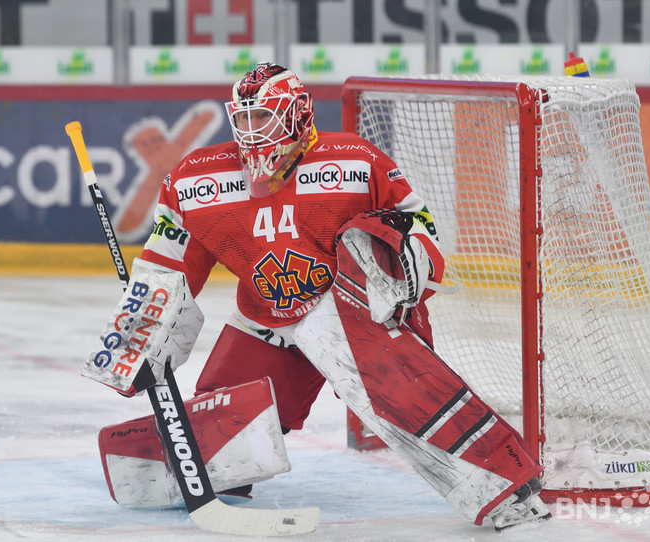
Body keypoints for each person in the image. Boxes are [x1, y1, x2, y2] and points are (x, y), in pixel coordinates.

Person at [94, 62, 550, 530]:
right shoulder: (196, 180)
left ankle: (506, 486)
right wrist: (139, 340)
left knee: (404, 396)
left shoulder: (354, 162)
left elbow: (419, 228)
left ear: (296, 114)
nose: (251, 130)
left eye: (263, 116)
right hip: (265, 316)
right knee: (215, 444)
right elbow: (168, 266)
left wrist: (405, 272)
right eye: (243, 118)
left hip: (347, 313)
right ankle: (206, 477)